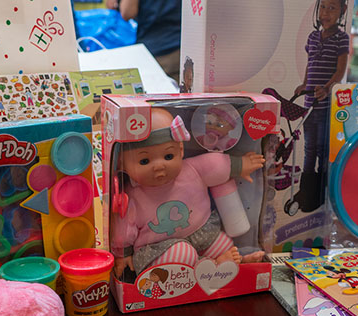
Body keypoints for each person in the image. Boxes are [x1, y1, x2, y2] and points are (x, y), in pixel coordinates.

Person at [110, 108, 265, 277]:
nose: (159, 166)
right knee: (183, 253)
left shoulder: (191, 170)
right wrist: (123, 254)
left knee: (223, 243)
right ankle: (210, 267)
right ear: (121, 164)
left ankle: (239, 265)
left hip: (202, 233)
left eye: (168, 156)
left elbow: (215, 166)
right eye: (145, 161)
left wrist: (240, 165)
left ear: (181, 150)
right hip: (158, 250)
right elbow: (123, 228)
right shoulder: (133, 196)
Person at [292, 0, 350, 212]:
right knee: (309, 147)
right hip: (309, 102)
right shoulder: (313, 37)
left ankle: (324, 190)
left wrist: (327, 89)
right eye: (323, 7)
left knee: (324, 148)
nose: (326, 13)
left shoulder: (342, 38)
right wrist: (304, 83)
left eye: (332, 8)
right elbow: (310, 63)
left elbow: (340, 69)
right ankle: (307, 190)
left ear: (342, 9)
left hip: (327, 105)